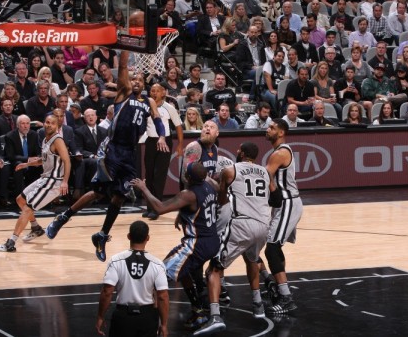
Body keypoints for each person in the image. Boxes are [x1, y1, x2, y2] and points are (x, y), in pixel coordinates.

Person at [45, 50, 167, 262]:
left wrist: (162, 136)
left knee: (119, 197)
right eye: (134, 79)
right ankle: (62, 218)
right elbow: (121, 70)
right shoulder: (124, 93)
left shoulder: (150, 102)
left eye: (139, 80)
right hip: (113, 149)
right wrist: (126, 50)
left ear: (145, 84)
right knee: (98, 192)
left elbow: (156, 120)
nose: (136, 82)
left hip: (130, 153)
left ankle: (101, 235)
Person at [194, 142, 280, 335]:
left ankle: (215, 315)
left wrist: (210, 183)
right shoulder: (265, 172)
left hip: (242, 223)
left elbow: (222, 198)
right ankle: (258, 305)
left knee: (214, 268)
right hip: (263, 225)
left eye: (238, 149)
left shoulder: (229, 170)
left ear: (241, 153)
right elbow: (277, 199)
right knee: (252, 260)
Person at [130, 162, 219, 331]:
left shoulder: (188, 194)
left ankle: (150, 321)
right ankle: (198, 310)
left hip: (196, 244)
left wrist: (144, 188)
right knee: (182, 271)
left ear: (189, 177)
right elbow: (199, 206)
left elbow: (160, 208)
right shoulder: (210, 186)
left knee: (159, 274)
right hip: (212, 240)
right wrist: (183, 214)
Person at [0, 115, 71, 252]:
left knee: (27, 208)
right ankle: (36, 228)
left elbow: (67, 161)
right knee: (20, 200)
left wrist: (65, 182)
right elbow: (44, 159)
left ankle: (11, 242)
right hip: (45, 178)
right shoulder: (45, 139)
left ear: (57, 126)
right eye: (47, 122)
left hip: (54, 181)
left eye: (52, 123)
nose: (48, 125)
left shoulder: (58, 140)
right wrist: (26, 164)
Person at [96, 220, 169, 337]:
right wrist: (164, 324)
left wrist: (100, 317)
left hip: (123, 317)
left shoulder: (115, 260)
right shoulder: (157, 264)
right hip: (147, 317)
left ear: (129, 236)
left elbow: (107, 292)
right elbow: (162, 296)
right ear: (148, 238)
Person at [263, 118, 302, 314]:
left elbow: (264, 178)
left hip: (288, 202)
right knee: (274, 247)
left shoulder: (280, 153)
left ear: (281, 132)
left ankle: (286, 298)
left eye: (272, 128)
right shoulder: (279, 151)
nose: (267, 129)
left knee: (271, 249)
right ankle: (281, 289)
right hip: (283, 204)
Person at [142, 83, 183, 220]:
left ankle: (157, 208)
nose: (154, 93)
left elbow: (178, 126)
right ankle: (149, 207)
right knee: (149, 174)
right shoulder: (146, 107)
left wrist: (180, 145)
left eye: (157, 91)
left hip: (164, 142)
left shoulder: (169, 107)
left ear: (163, 93)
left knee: (159, 176)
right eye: (152, 91)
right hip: (150, 142)